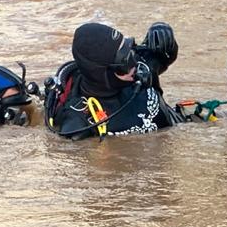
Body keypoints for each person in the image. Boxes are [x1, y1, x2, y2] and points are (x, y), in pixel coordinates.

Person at [44, 22, 184, 139]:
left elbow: (164, 57)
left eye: (130, 51)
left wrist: (164, 38)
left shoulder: (141, 69)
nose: (134, 63)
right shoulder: (78, 124)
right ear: (101, 73)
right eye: (124, 62)